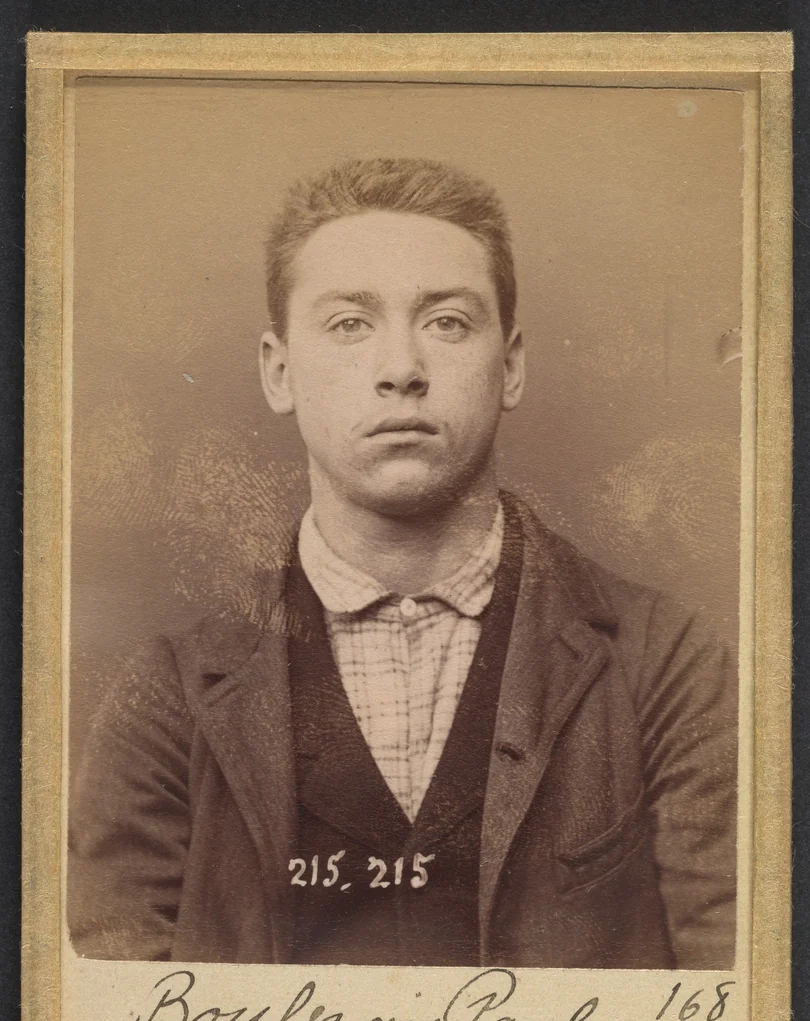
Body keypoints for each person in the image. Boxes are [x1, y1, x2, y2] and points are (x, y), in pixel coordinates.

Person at [68, 157, 737, 969]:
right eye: (350, 323)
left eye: (447, 322)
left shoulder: (665, 665)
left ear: (511, 366)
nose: (402, 370)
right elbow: (110, 1019)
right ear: (279, 372)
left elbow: (737, 1000)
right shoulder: (168, 696)